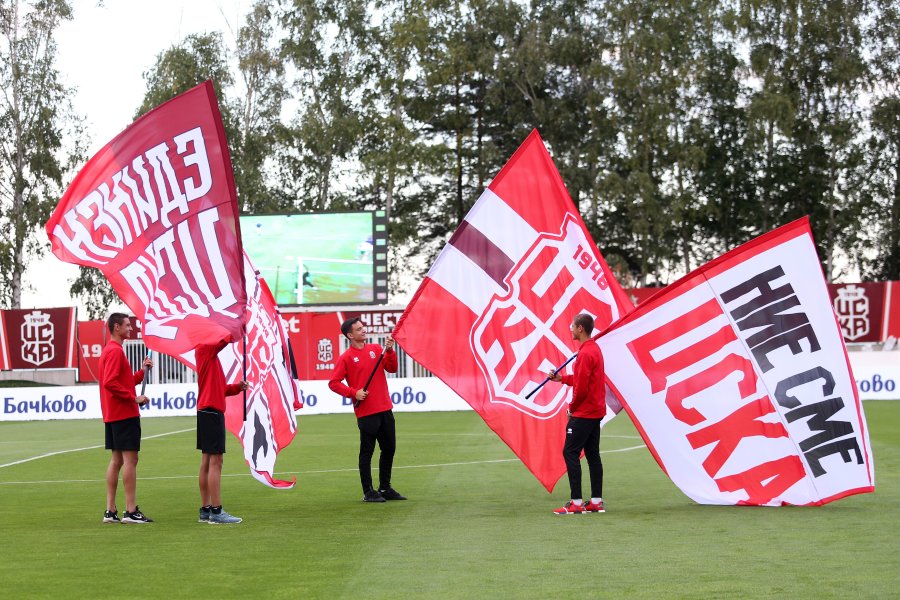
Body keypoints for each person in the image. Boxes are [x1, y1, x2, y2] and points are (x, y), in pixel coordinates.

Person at [329, 317, 406, 503]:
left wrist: (389, 351)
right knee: (367, 452)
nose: (363, 330)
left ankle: (385, 487)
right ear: (350, 335)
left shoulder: (376, 350)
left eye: (363, 327)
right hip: (366, 412)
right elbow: (334, 383)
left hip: (385, 408)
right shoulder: (346, 357)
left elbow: (393, 368)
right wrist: (354, 393)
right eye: (359, 329)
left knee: (389, 449)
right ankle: (368, 491)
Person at [546, 313, 606, 515]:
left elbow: (581, 389)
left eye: (572, 326)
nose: (570, 329)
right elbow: (583, 380)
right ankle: (596, 501)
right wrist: (561, 378)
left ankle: (576, 503)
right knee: (592, 454)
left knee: (570, 452)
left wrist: (572, 408)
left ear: (581, 328)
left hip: (585, 412)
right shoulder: (593, 349)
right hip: (595, 411)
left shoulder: (586, 353)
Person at [99, 313, 153, 524]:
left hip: (114, 414)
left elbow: (122, 381)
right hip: (124, 413)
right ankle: (130, 511)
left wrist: (142, 372)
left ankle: (110, 510)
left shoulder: (110, 351)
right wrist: (134, 398)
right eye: (127, 325)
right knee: (131, 460)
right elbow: (110, 383)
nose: (131, 328)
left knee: (117, 460)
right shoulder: (115, 352)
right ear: (116, 327)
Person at [195, 339, 249, 524]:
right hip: (211, 412)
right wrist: (239, 324)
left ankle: (206, 509)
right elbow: (225, 339)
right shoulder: (206, 348)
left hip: (207, 410)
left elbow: (219, 388)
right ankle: (216, 512)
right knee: (215, 461)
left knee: (207, 461)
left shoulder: (208, 354)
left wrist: (237, 387)